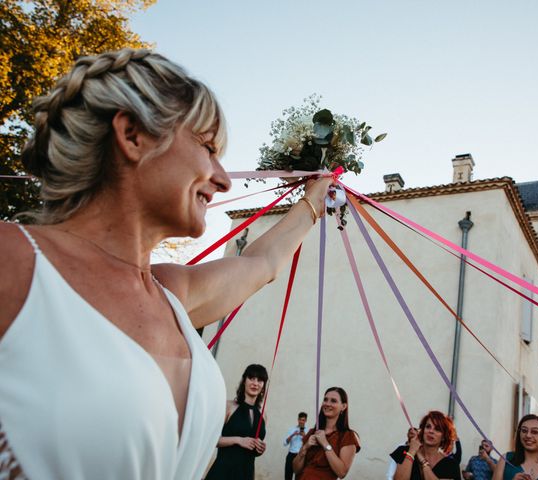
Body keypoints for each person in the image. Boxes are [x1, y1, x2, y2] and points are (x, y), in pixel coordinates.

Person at [0, 48, 332, 480]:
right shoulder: (15, 261)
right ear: (133, 135)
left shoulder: (174, 293)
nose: (223, 178)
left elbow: (263, 262)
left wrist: (314, 200)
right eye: (207, 147)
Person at [205, 364, 268, 479]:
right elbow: (211, 440)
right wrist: (238, 440)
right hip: (223, 472)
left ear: (263, 386)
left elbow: (253, 451)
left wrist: (260, 449)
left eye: (260, 380)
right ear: (244, 381)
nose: (255, 383)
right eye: (251, 378)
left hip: (246, 474)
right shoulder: (228, 406)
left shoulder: (263, 415)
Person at [292, 387, 360, 479]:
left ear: (343, 406)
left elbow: (342, 472)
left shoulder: (348, 436)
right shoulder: (312, 432)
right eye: (325, 399)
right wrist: (304, 448)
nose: (327, 404)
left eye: (333, 401)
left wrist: (325, 444)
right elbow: (296, 469)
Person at [393, 410, 461, 480]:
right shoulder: (405, 451)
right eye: (428, 426)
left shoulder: (450, 465)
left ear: (444, 437)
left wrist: (422, 459)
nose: (431, 431)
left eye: (437, 429)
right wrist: (411, 452)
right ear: (423, 430)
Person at [284, 412, 309, 480]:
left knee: (299, 477)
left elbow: (309, 445)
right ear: (298, 419)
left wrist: (305, 436)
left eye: (303, 420)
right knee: (288, 476)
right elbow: (285, 443)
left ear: (306, 421)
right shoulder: (292, 429)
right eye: (300, 419)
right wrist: (293, 435)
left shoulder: (308, 431)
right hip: (291, 455)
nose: (301, 421)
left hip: (301, 456)